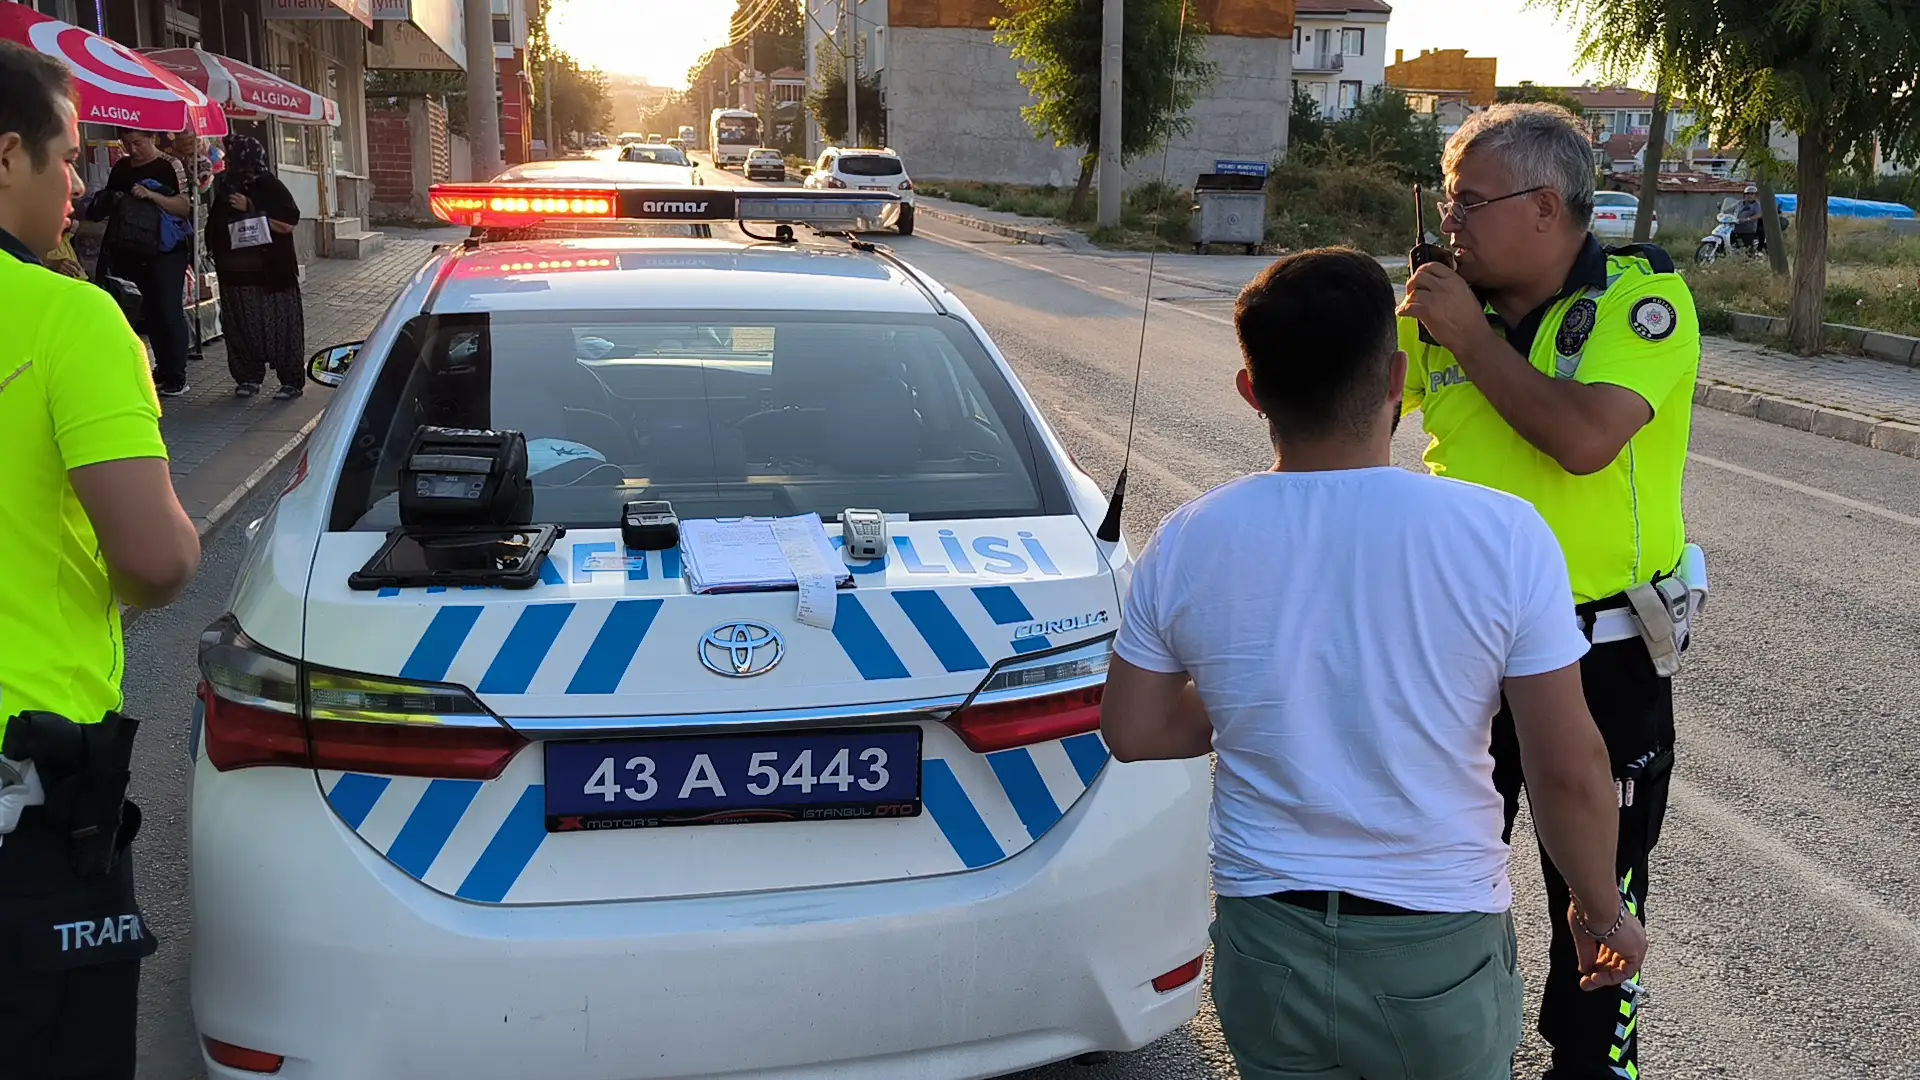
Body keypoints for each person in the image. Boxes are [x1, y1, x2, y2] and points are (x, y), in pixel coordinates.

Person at [1100, 247, 1646, 1080]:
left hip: (1268, 938)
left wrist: (1254, 685)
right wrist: (1601, 912)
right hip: (1435, 945)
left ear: (1252, 393)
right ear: (1397, 378)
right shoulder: (1502, 535)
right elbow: (1567, 768)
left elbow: (1133, 730)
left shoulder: (1191, 537)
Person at [1399, 103, 1701, 1079]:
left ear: (1544, 207)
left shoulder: (1639, 305)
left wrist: (1471, 343)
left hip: (1600, 654)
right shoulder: (1441, 305)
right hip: (1461, 654)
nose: (1451, 221)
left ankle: (1601, 1062)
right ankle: (1451, 1050)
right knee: (1439, 883)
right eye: (1446, 200)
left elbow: (1582, 442)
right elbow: (1344, 418)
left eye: (1470, 202)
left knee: (1606, 896)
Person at [0, 41, 202, 1079]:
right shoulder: (64, 317)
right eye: (67, 158)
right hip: (27, 797)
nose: (77, 186)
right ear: (5, 157)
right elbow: (157, 559)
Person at [95, 127, 196, 396]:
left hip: (166, 249)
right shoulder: (122, 168)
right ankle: (161, 369)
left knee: (168, 308)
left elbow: (185, 207)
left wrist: (152, 195)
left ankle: (177, 374)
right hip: (132, 248)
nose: (132, 149)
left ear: (151, 138)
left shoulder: (169, 165)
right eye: (126, 143)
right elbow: (109, 202)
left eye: (138, 142)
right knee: (149, 310)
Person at [205, 134, 305, 399]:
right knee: (240, 327)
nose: (226, 161)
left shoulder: (269, 184)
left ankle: (290, 381)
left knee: (281, 327)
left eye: (230, 156)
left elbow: (288, 222)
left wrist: (251, 207)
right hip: (235, 274)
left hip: (271, 273)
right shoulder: (225, 185)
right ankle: (248, 377)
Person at [1734, 184, 1763, 255]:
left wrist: (1747, 219)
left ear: (1755, 195)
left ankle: (1749, 259)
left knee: (1747, 250)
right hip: (1736, 228)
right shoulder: (1740, 203)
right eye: (1747, 194)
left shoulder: (1756, 205)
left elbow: (1759, 215)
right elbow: (1729, 209)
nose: (1749, 195)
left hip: (1748, 229)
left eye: (1752, 194)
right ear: (1744, 195)